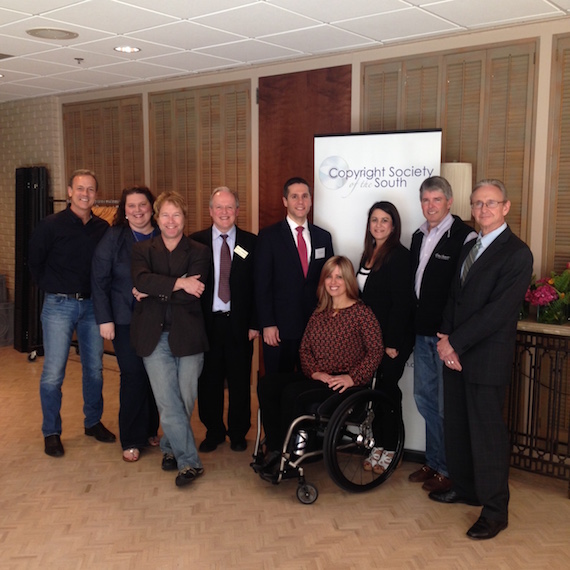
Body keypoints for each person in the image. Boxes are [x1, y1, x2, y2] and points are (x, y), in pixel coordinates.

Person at [432, 179, 533, 540]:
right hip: (456, 354)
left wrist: (454, 343)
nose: (483, 210)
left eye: (491, 203)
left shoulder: (518, 253)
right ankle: (466, 488)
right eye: (477, 204)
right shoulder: (470, 244)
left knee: (488, 436)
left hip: (485, 359)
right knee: (457, 427)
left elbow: (497, 312)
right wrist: (445, 340)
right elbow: (453, 298)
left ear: (506, 207)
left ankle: (494, 511)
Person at [257, 256, 383, 472]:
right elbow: (304, 349)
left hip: (343, 382)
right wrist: (315, 373)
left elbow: (375, 351)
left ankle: (289, 454)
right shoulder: (319, 312)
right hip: (318, 377)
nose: (333, 281)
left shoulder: (362, 313)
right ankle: (276, 448)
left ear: (349, 281)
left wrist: (352, 377)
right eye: (329, 276)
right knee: (268, 383)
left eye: (339, 277)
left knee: (292, 393)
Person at [29, 169, 116, 457]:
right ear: (69, 191)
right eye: (80, 188)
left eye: (91, 189)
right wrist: (52, 287)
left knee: (94, 369)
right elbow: (34, 263)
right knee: (54, 373)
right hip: (58, 305)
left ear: (96, 194)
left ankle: (92, 422)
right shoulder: (50, 225)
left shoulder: (103, 228)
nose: (85, 194)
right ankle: (51, 432)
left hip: (92, 307)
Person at [130, 191, 210, 488]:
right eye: (165, 214)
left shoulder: (199, 251)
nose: (171, 220)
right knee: (167, 402)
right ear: (156, 217)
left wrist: (154, 289)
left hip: (188, 336)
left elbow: (196, 292)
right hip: (153, 337)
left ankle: (168, 448)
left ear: (184, 218)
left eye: (176, 214)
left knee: (184, 400)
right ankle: (189, 462)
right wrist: (179, 283)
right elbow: (140, 280)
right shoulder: (142, 250)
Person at [409, 176, 477, 493]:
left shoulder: (465, 237)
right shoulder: (417, 236)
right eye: (426, 200)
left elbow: (463, 292)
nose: (431, 206)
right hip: (421, 334)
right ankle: (434, 462)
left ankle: (449, 468)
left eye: (437, 200)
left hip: (445, 339)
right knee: (424, 401)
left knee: (444, 405)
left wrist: (450, 335)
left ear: (449, 202)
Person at [91, 186, 160, 462]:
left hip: (158, 320)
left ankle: (150, 429)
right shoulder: (114, 236)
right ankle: (131, 437)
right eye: (131, 206)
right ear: (124, 209)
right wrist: (104, 319)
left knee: (156, 377)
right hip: (124, 320)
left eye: (142, 205)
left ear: (151, 207)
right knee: (132, 375)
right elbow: (99, 279)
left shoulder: (163, 233)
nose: (137, 210)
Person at [191, 187, 259, 453]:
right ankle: (214, 431)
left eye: (230, 207)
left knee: (241, 381)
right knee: (209, 381)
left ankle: (239, 432)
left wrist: (255, 322)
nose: (224, 212)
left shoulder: (251, 243)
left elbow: (258, 287)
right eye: (219, 207)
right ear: (210, 211)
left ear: (238, 211)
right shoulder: (195, 242)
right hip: (206, 324)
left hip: (240, 324)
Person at [357, 202, 414, 475]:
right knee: (374, 393)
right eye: (374, 220)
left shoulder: (399, 256)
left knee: (388, 392)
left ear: (394, 226)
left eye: (385, 221)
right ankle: (377, 445)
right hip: (368, 341)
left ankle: (391, 448)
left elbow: (402, 303)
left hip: (392, 341)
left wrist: (391, 343)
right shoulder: (367, 255)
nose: (379, 225)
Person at [255, 177, 334, 374]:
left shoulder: (324, 237)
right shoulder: (268, 237)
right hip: (279, 329)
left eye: (305, 196)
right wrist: (267, 324)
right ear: (285, 201)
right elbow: (261, 284)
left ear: (311, 200)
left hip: (315, 327)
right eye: (294, 196)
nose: (300, 201)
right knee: (278, 385)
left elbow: (329, 281)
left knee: (310, 384)